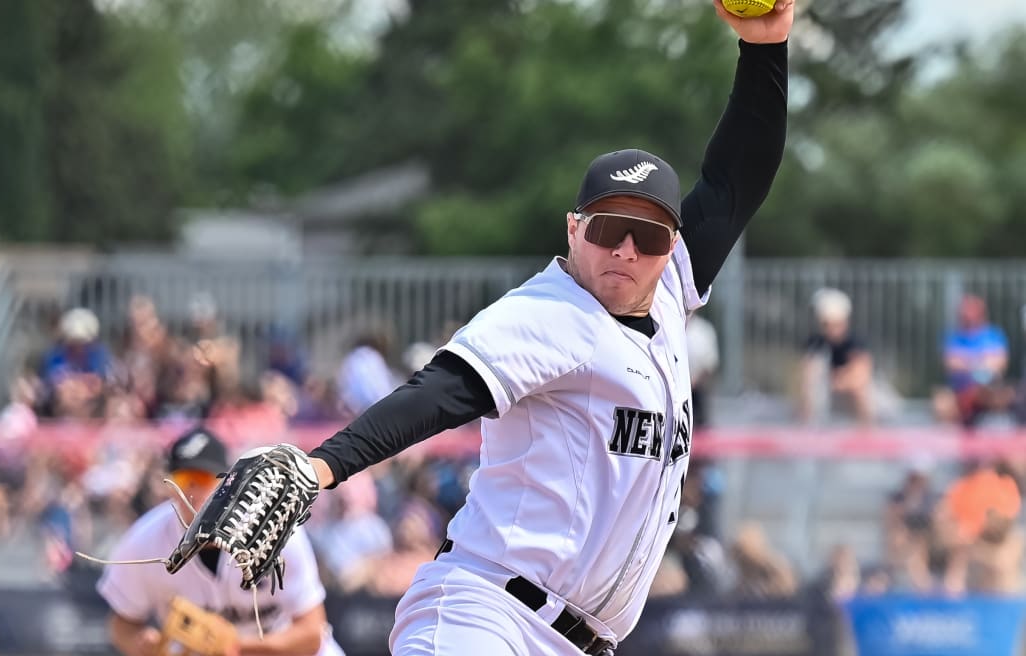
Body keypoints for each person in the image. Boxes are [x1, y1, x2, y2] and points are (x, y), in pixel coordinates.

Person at [297, 4, 792, 654]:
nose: (625, 250)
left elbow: (736, 177)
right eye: (608, 229)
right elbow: (440, 392)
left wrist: (767, 49)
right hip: (487, 616)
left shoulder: (667, 287)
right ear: (573, 229)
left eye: (645, 235)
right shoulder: (548, 314)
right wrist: (320, 467)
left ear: (671, 245)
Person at [96, 426, 344, 656]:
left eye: (205, 480)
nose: (193, 492)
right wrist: (143, 643)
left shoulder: (274, 530)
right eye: (184, 481)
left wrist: (234, 645)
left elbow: (311, 635)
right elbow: (122, 624)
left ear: (230, 481)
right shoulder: (145, 541)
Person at [932, 294, 1015, 427]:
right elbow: (951, 363)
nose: (967, 316)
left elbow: (1000, 363)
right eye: (965, 312)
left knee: (1003, 395)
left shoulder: (993, 335)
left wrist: (968, 362)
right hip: (960, 388)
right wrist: (981, 362)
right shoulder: (953, 336)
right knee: (942, 404)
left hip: (989, 388)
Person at [796, 287, 874, 425]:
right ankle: (805, 431)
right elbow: (807, 376)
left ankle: (867, 433)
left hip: (853, 398)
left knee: (858, 391)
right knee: (809, 388)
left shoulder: (854, 343)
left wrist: (835, 382)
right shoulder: (816, 344)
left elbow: (860, 377)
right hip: (829, 397)